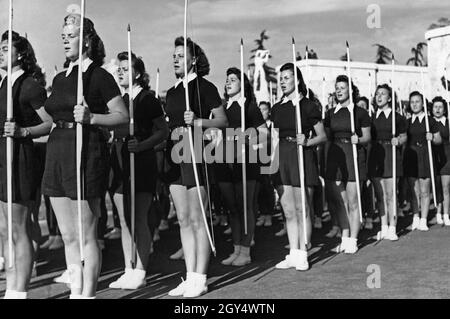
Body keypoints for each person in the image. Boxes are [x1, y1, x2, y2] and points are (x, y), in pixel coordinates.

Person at [41, 13, 128, 299]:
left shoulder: (99, 76)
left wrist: (92, 118)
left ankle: (87, 294)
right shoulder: (60, 76)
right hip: (57, 152)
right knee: (68, 235)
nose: (65, 39)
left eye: (72, 34)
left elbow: (122, 117)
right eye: (63, 35)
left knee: (86, 233)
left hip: (85, 152)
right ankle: (75, 289)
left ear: (87, 40)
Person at [165, 36, 227, 298]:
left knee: (198, 217)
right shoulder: (171, 92)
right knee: (182, 219)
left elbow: (223, 121)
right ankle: (189, 275)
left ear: (193, 59)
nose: (176, 59)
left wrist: (200, 121)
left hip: (197, 153)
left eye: (181, 55)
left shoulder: (205, 87)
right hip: (175, 155)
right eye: (174, 55)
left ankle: (200, 277)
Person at [108, 51, 169, 290]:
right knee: (124, 219)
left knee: (139, 218)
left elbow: (162, 131)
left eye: (125, 68)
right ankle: (128, 268)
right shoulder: (115, 101)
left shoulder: (148, 99)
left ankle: (141, 270)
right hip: (119, 159)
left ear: (137, 73)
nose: (121, 72)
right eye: (119, 69)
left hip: (141, 160)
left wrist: (142, 145)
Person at [0, 31, 52, 299]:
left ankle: (19, 290)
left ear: (20, 54)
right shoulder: (3, 83)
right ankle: (12, 284)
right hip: (2, 156)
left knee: (18, 227)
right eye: (1, 47)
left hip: (20, 156)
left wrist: (23, 132)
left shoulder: (29, 85)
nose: (1, 51)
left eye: (7, 48)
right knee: (5, 228)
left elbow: (48, 123)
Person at [271, 63, 327, 270]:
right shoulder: (277, 108)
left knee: (302, 207)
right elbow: (275, 137)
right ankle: (293, 252)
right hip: (282, 157)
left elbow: (322, 136)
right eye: (281, 78)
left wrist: (307, 141)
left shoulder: (309, 106)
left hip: (302, 155)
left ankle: (303, 252)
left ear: (297, 80)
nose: (283, 81)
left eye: (287, 78)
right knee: (288, 209)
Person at [217, 67, 268, 267]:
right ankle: (236, 249)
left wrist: (249, 140)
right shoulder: (222, 108)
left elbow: (264, 134)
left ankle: (246, 251)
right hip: (225, 161)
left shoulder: (250, 107)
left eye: (233, 79)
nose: (228, 83)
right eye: (227, 79)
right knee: (232, 208)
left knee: (245, 206)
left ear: (242, 84)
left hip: (246, 162)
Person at [324, 75, 371, 254]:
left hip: (353, 157)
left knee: (353, 201)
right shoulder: (330, 113)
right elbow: (326, 137)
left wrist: (358, 138)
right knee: (340, 201)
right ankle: (345, 237)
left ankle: (353, 239)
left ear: (351, 90)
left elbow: (367, 137)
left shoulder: (360, 113)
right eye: (337, 87)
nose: (339, 90)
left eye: (343, 87)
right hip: (336, 157)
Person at [368, 84, 407, 240]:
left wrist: (398, 140)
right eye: (377, 94)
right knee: (379, 194)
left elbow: (404, 136)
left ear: (389, 98)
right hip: (376, 155)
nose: (379, 97)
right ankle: (383, 226)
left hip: (391, 155)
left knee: (391, 194)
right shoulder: (371, 118)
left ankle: (392, 226)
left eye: (383, 94)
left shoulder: (397, 117)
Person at [403, 91, 442, 231]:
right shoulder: (406, 122)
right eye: (412, 102)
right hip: (411, 156)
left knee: (425, 190)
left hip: (425, 155)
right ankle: (415, 216)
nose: (414, 104)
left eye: (417, 101)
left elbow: (438, 140)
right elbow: (403, 139)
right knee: (414, 190)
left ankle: (424, 219)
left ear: (423, 103)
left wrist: (433, 138)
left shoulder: (430, 121)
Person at [431, 96, 450, 226]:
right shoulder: (429, 122)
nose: (438, 109)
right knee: (436, 186)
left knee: (446, 187)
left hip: (447, 156)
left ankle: (446, 214)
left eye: (440, 107)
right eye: (435, 107)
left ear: (444, 109)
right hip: (433, 156)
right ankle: (438, 212)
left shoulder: (448, 122)